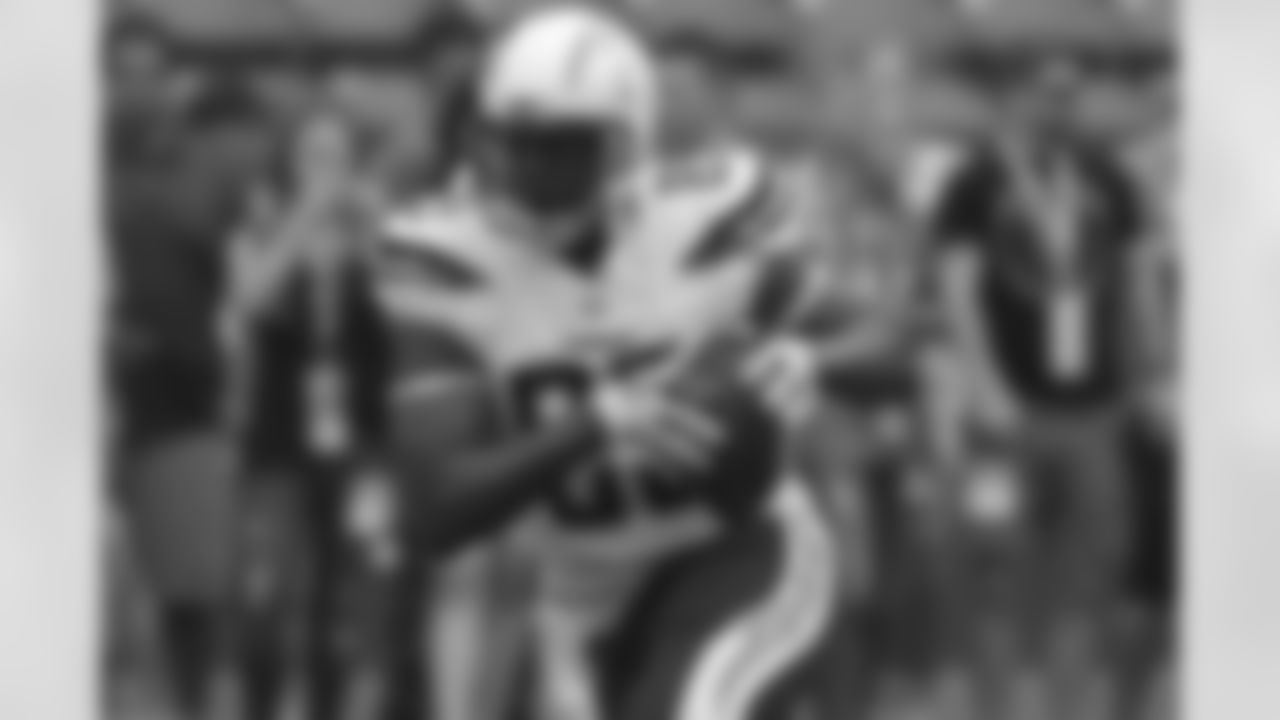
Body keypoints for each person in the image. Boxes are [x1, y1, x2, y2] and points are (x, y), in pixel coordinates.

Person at [371, 7, 865, 720]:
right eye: (517, 144)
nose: (532, 168)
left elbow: (893, 340)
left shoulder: (708, 215)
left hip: (740, 547)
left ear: (627, 141)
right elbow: (434, 509)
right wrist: (594, 425)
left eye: (561, 147)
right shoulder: (448, 260)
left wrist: (815, 356)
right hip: (583, 595)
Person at [930, 57, 1157, 720]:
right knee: (993, 573)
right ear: (1016, 97)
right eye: (1043, 92)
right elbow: (956, 290)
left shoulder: (1110, 178)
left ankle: (1068, 707)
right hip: (1002, 420)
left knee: (1086, 581)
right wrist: (983, 384)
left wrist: (1152, 376)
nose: (1058, 105)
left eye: (1069, 94)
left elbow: (1140, 287)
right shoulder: (976, 180)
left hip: (1093, 416)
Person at [229, 107, 392, 720]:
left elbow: (404, 306)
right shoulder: (261, 230)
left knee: (348, 591)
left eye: (337, 156)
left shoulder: (375, 232)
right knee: (266, 593)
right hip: (277, 441)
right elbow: (253, 300)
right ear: (291, 163)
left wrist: (369, 230)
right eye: (313, 155)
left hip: (362, 442)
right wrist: (302, 218)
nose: (326, 169)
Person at [106, 41, 250, 720]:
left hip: (173, 412)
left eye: (150, 75)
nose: (138, 88)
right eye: (123, 74)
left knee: (183, 599)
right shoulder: (60, 161)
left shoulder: (199, 179)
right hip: (92, 418)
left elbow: (230, 293)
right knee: (99, 596)